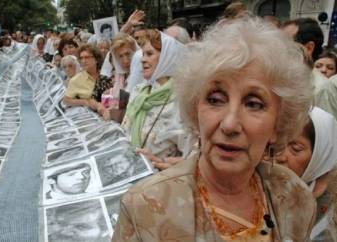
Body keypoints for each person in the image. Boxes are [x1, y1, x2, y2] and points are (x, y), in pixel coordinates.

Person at [112, 17, 316, 241]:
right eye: (216, 99)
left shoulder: (296, 198)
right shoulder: (145, 208)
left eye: (254, 104)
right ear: (194, 108)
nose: (229, 124)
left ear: (279, 122)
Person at [121, 29, 189, 165]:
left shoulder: (181, 100)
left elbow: (193, 156)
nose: (143, 59)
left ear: (167, 58)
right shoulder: (139, 91)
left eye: (149, 54)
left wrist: (160, 161)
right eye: (143, 54)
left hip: (160, 180)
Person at [275, 107, 337, 241]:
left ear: (319, 157)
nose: (279, 156)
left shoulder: (330, 207)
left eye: (295, 149)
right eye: (277, 144)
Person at [63, 44, 112, 119]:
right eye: (81, 58)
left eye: (87, 57)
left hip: (111, 116)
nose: (83, 61)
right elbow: (66, 100)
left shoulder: (105, 77)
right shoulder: (76, 80)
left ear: (96, 59)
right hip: (92, 119)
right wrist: (85, 102)